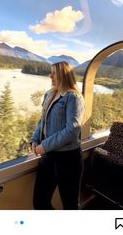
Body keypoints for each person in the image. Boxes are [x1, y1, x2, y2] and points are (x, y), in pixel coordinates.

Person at [31, 61, 85, 210]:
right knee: (40, 202)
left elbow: (72, 130)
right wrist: (35, 140)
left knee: (70, 206)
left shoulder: (73, 98)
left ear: (64, 74)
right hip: (48, 158)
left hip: (68, 160)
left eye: (54, 73)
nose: (50, 76)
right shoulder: (49, 94)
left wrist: (44, 146)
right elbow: (42, 120)